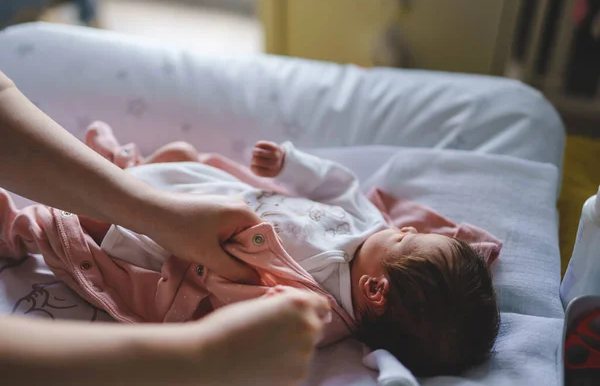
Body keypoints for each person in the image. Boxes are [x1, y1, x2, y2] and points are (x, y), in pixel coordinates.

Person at [52, 121, 501, 377]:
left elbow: (240, 311)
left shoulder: (316, 305)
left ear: (376, 290)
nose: (400, 228)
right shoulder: (369, 225)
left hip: (179, 242)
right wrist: (291, 164)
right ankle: (126, 170)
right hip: (215, 192)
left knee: (94, 221)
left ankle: (60, 204)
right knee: (180, 155)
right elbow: (339, 184)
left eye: (405, 238)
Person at [0, 70, 331, 385]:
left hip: (177, 228)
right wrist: (200, 356)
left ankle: (112, 186)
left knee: (115, 223)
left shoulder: (332, 302)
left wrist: (157, 212)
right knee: (179, 163)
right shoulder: (363, 228)